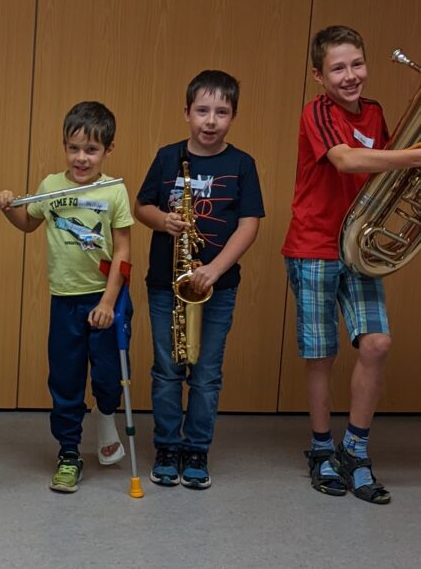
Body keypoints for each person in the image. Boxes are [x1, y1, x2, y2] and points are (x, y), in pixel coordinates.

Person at [282, 25, 421, 504]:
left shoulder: (377, 111)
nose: (350, 75)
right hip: (315, 244)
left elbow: (385, 170)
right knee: (321, 354)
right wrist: (414, 157)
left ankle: (355, 450)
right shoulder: (315, 112)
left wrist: (407, 164)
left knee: (377, 344)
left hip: (358, 245)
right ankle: (322, 450)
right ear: (318, 75)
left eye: (356, 64)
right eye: (337, 68)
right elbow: (346, 160)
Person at [0, 101, 132, 493]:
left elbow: (123, 251)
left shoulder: (114, 190)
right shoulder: (51, 186)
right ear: (64, 146)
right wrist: (7, 206)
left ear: (108, 150)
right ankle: (69, 453)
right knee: (66, 380)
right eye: (74, 148)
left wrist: (107, 303)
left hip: (107, 296)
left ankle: (105, 414)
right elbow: (27, 223)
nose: (82, 158)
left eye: (91, 150)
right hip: (65, 301)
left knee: (107, 376)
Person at [135, 70, 263, 490]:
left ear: (233, 116)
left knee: (206, 373)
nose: (211, 120)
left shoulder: (242, 164)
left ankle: (197, 450)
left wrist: (214, 270)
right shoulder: (168, 157)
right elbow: (141, 207)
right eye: (203, 111)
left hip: (217, 286)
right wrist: (164, 220)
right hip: (166, 284)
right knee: (167, 370)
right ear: (186, 112)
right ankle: (167, 447)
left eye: (221, 112)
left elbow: (248, 225)